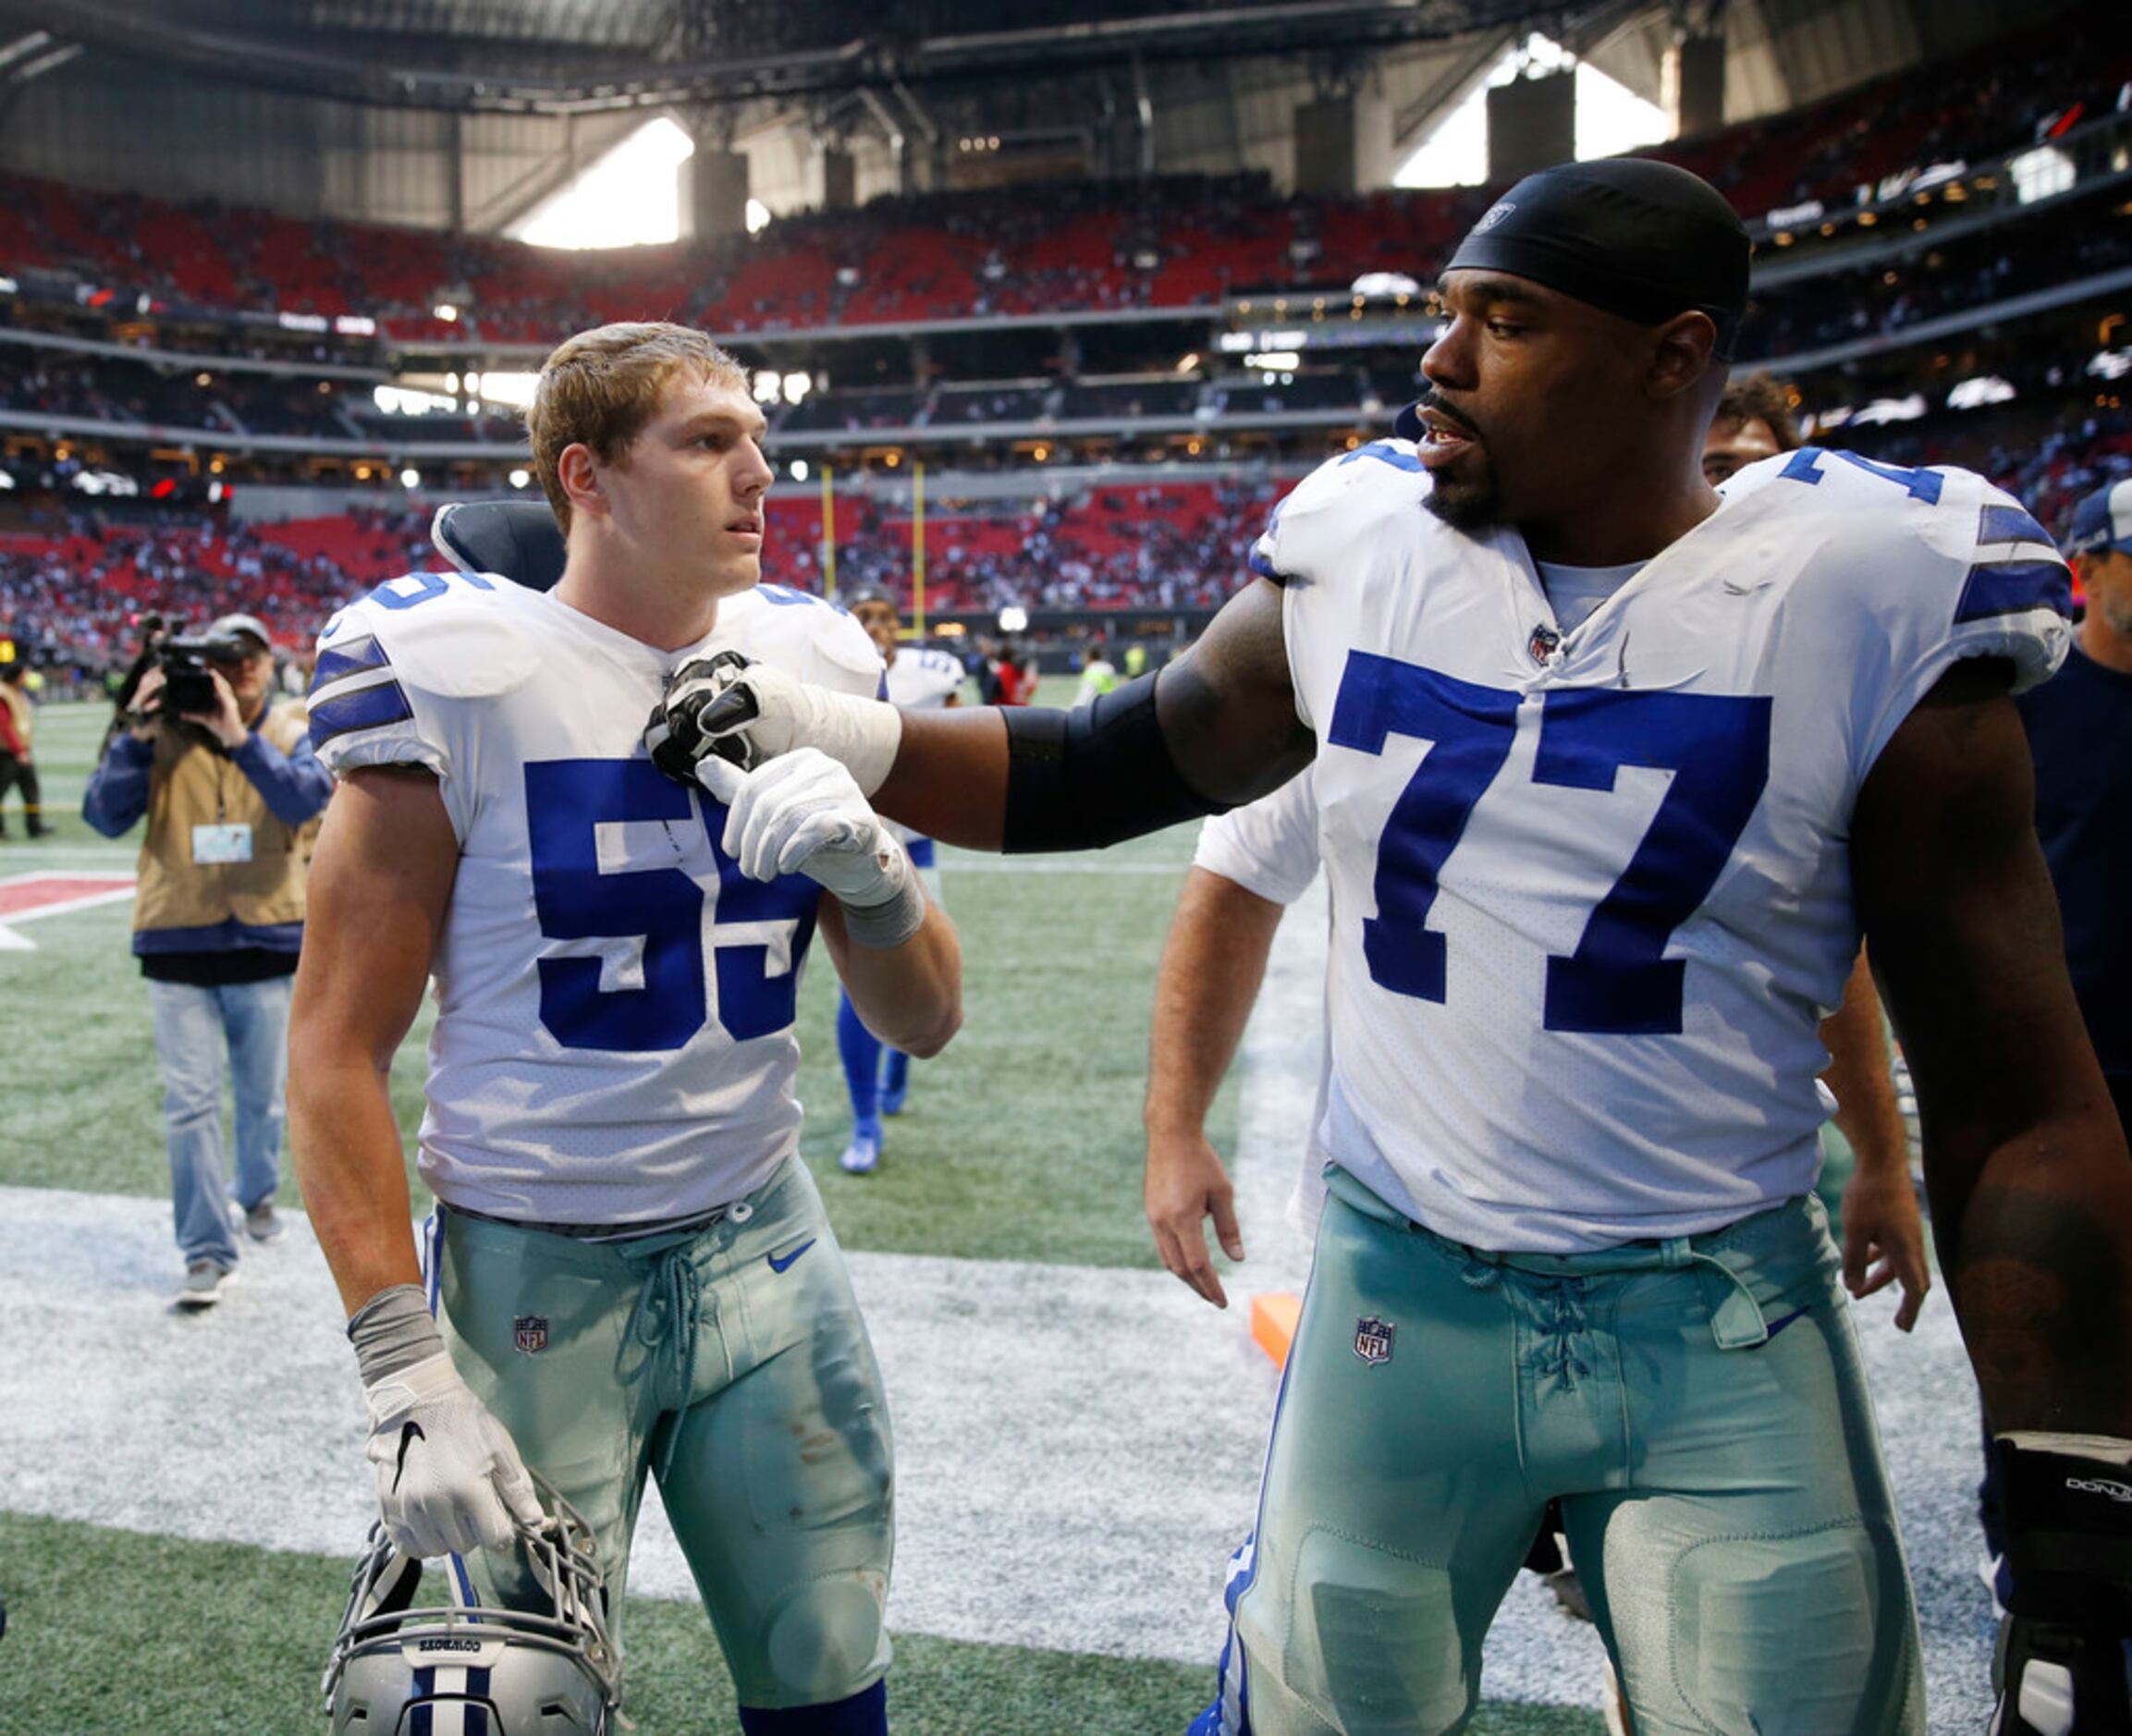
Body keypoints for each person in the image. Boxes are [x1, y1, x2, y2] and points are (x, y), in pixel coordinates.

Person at [659, 160, 2132, 1733]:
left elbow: (2019, 1099)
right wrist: (832, 726)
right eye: (1447, 315)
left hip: (1712, 1310)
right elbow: (1112, 760)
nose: (1439, 360)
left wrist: (2072, 1532)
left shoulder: (1860, 586)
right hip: (1401, 1299)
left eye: (1505, 322)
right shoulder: (1368, 543)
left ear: (1673, 357)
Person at [288, 322, 962, 1735]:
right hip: (533, 1275)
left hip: (765, 1250)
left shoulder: (804, 654)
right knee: (513, 1705)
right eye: (708, 441)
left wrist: (877, 876)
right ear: (585, 476)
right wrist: (401, 1361)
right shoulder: (457, 670)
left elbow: (927, 1017)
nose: (758, 473)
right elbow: (334, 1047)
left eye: (755, 436)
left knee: (827, 1659)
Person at [80, 612, 331, 1308]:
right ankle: (205, 1249)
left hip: (265, 936)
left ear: (266, 659)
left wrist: (235, 737)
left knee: (262, 1101)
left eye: (250, 653)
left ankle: (253, 1196)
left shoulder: (288, 725)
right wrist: (137, 731)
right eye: (226, 656)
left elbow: (305, 796)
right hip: (178, 937)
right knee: (189, 1104)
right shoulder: (159, 730)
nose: (241, 665)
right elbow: (102, 815)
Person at [838, 585, 962, 1173]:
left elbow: (963, 727)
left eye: (885, 618)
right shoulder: (826, 668)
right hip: (851, 849)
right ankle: (865, 1119)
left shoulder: (928, 672)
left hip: (915, 846)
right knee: (856, 986)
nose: (876, 627)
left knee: (917, 971)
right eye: (864, 617)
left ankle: (902, 1064)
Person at [0, 661, 51, 838]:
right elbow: (3, 726)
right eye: (24, 675)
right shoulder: (3, 695)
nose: (26, 679)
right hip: (7, 753)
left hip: (21, 750)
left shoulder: (16, 693)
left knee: (31, 789)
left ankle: (34, 826)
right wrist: (19, 751)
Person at [1072, 639, 1119, 707]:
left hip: (1098, 709)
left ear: (1089, 656)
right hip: (1111, 705)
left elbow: (1085, 696)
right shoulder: (1109, 667)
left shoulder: (1091, 671)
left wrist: (1074, 709)